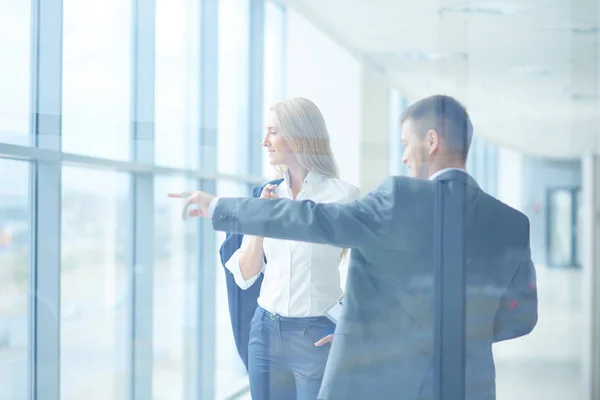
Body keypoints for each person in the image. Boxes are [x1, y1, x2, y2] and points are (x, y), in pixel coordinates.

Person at [170, 95, 538, 399]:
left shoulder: (400, 198)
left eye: (406, 145)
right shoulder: (512, 223)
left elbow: (314, 219)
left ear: (431, 141)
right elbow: (521, 317)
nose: (405, 157)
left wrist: (220, 207)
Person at [211, 97, 360, 400]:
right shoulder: (265, 196)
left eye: (273, 132)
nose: (265, 141)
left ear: (300, 136)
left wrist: (351, 327)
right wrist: (260, 224)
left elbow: (373, 272)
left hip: (317, 335)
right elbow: (246, 274)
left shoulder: (343, 196)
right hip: (265, 333)